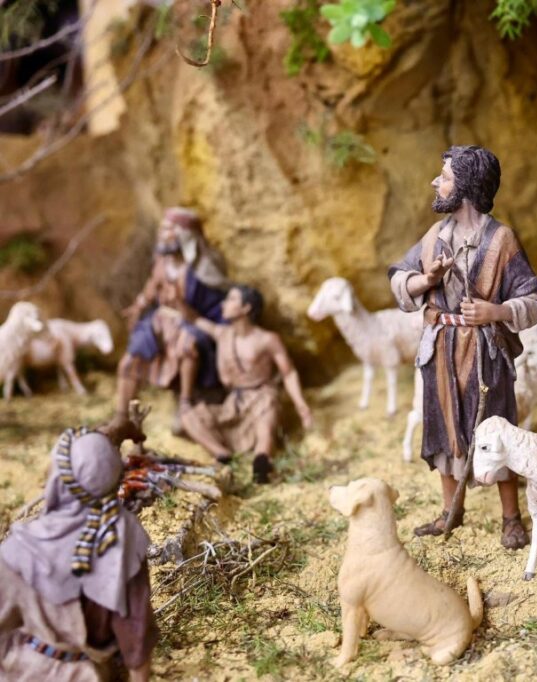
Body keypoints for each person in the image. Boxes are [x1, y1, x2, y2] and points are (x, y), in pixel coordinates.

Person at [387, 145, 537, 548]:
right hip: (440, 349)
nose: (436, 183)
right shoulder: (435, 237)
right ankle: (450, 510)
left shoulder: (501, 239)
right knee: (444, 422)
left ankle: (511, 516)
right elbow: (400, 277)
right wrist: (427, 280)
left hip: (484, 354)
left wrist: (494, 311)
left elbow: (533, 301)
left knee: (495, 423)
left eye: (445, 177)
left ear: (468, 188)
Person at [0, 417, 157, 681]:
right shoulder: (123, 542)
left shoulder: (18, 549)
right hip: (87, 673)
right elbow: (136, 637)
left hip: (24, 669)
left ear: (60, 480)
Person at [174, 284, 314, 483]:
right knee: (188, 416)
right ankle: (222, 455)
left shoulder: (267, 339)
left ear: (246, 308)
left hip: (262, 396)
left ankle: (262, 461)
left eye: (231, 299)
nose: (224, 304)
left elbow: (288, 373)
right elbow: (194, 319)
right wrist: (178, 300)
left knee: (265, 421)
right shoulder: (222, 334)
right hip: (234, 403)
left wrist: (301, 406)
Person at [116, 207, 229, 430]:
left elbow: (212, 308)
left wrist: (184, 308)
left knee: (189, 346)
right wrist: (140, 304)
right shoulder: (162, 261)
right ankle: (121, 416)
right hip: (161, 318)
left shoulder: (201, 268)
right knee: (131, 357)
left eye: (168, 229)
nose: (162, 234)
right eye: (162, 228)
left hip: (190, 321)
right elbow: (153, 284)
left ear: (184, 235)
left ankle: (185, 406)